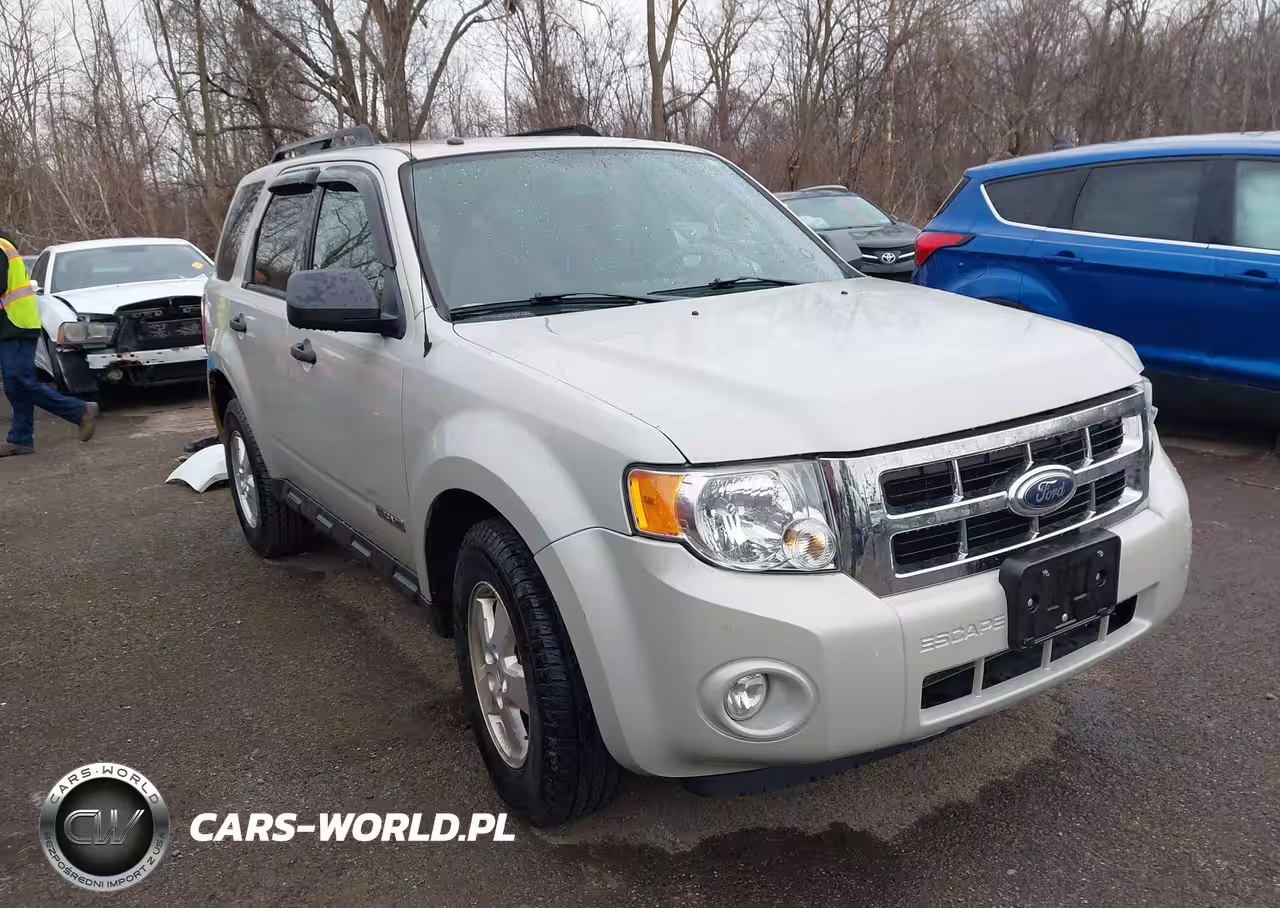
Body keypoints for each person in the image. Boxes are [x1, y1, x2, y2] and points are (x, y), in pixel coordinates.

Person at [0, 231, 98, 456]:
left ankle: (79, 410)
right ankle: (20, 438)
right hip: (13, 324)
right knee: (15, 384)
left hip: (15, 324)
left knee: (19, 380)